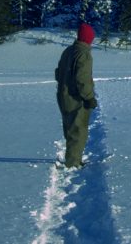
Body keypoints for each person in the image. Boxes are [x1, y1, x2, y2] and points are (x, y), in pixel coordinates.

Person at [55, 22, 98, 168]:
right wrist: (89, 97)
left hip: (62, 96)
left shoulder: (68, 50)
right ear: (88, 38)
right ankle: (73, 163)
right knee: (78, 130)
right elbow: (82, 79)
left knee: (69, 127)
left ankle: (72, 158)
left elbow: (58, 73)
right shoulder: (84, 54)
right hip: (75, 98)